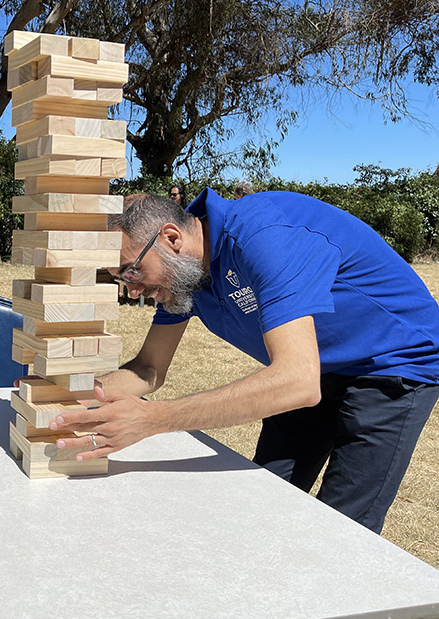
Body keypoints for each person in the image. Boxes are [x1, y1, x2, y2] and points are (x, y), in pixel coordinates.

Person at [50, 189, 439, 534]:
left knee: (343, 529)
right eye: (121, 278)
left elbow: (297, 381)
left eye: (132, 270)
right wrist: (74, 397)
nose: (133, 289)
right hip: (318, 364)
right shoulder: (184, 277)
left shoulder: (263, 237)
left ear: (170, 238)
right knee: (265, 495)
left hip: (394, 362)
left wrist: (152, 420)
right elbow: (149, 369)